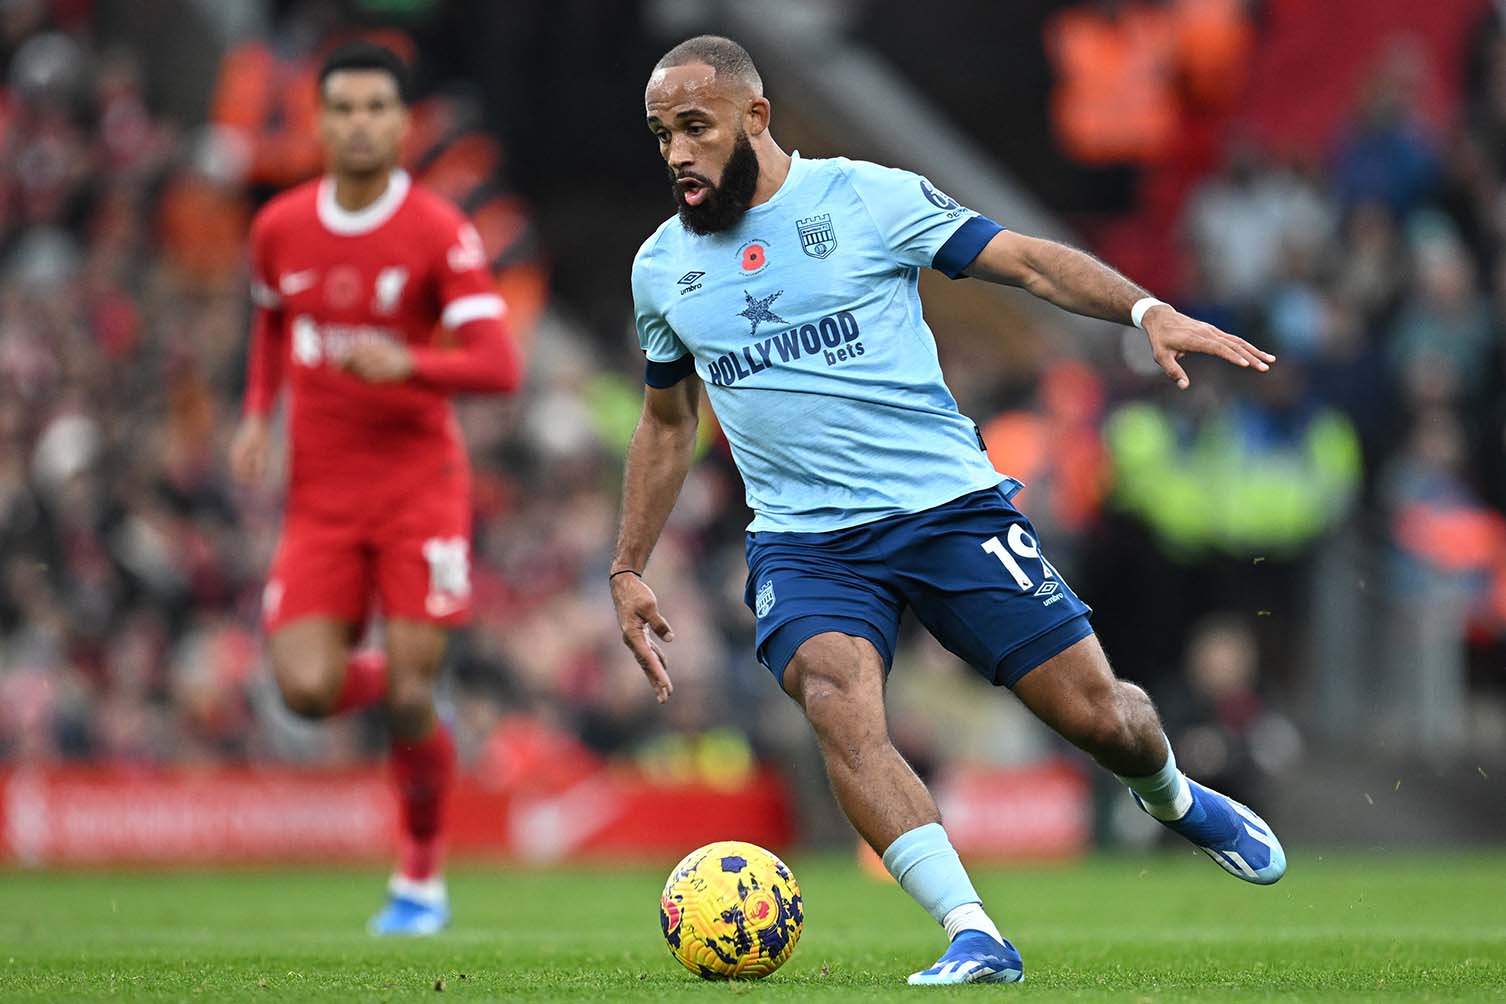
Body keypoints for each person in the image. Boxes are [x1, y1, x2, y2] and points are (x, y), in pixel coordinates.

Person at [611, 35, 1285, 985]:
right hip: (807, 546)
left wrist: (1143, 314)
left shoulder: (862, 198)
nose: (678, 152)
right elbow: (668, 421)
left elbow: (1027, 265)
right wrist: (629, 563)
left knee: (1104, 718)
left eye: (695, 127)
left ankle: (1173, 797)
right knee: (838, 701)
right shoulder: (661, 270)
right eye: (661, 134)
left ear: (755, 119)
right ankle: (972, 931)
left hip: (947, 512)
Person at [229, 41, 521, 935]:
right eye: (343, 109)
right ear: (318, 121)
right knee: (304, 690)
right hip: (319, 496)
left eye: (375, 109)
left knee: (404, 694)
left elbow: (499, 364)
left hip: (415, 488)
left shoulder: (437, 229)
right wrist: (255, 413)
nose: (359, 124)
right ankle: (417, 697)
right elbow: (273, 324)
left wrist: (412, 362)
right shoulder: (279, 226)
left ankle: (420, 880)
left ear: (402, 124)